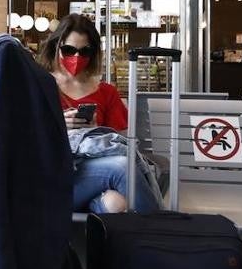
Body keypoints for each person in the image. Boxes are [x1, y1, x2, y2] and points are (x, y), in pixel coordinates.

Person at [42, 13, 157, 214]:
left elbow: (122, 139)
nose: (76, 58)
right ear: (56, 47)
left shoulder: (106, 92)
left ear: (93, 52)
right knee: (122, 167)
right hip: (54, 178)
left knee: (115, 203)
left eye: (84, 51)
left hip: (96, 178)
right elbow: (23, 136)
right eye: (68, 50)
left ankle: (109, 241)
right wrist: (58, 125)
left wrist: (96, 131)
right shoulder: (40, 85)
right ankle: (162, 233)